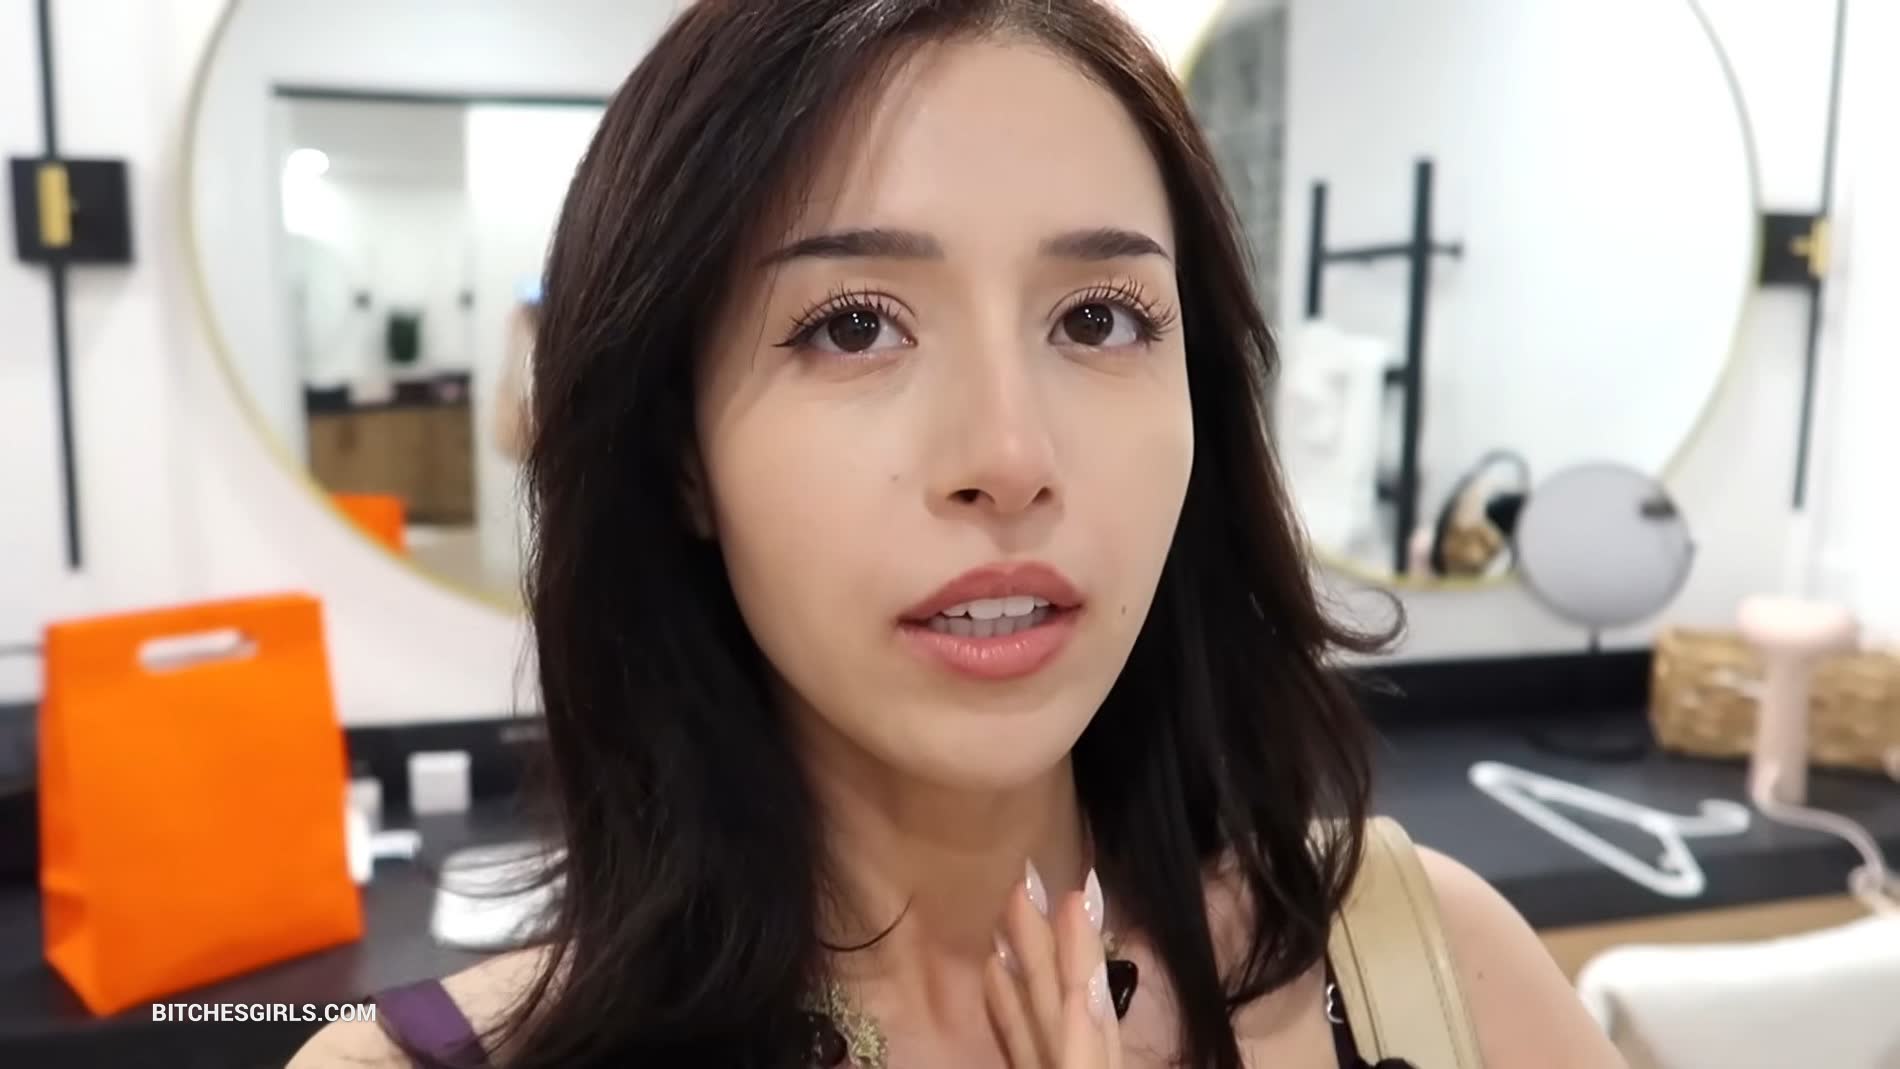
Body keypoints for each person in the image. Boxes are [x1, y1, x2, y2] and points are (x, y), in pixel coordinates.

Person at [292, 1, 1626, 1066]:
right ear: (678, 453)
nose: (1008, 456)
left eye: (1098, 318)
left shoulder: (1433, 970)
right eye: (853, 326)